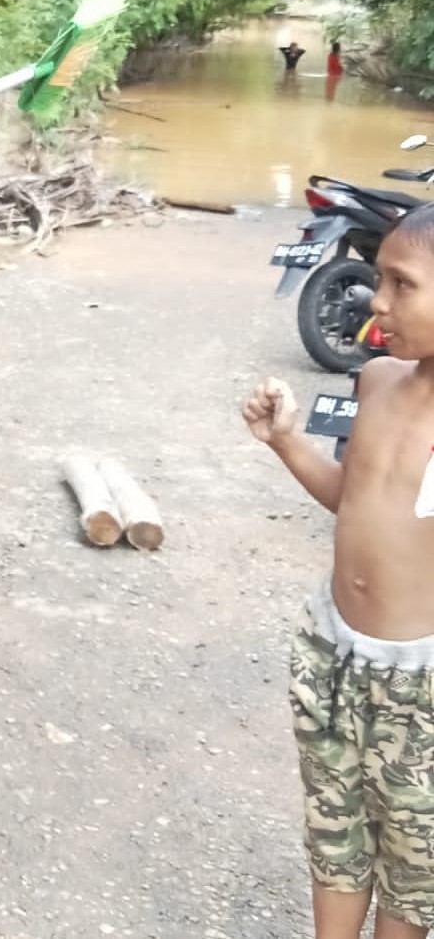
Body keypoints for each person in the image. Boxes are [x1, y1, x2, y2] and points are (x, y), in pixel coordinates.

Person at [244, 201, 434, 939]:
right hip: (332, 653)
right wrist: (287, 442)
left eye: (402, 284)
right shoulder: (379, 381)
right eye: (379, 279)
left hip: (420, 685)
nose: (376, 301)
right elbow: (354, 499)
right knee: (335, 829)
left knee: (416, 859)